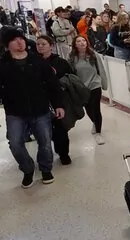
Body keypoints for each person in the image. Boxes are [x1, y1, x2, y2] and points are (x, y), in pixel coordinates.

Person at [0, 28, 64, 188]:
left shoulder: (38, 61)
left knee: (45, 142)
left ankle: (45, 169)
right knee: (15, 143)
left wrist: (58, 105)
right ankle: (27, 169)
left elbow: (52, 84)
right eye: (14, 40)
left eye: (21, 38)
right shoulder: (3, 64)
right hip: (15, 112)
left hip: (40, 109)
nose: (20, 42)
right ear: (8, 44)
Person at [36, 35, 75, 165]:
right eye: (38, 44)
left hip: (58, 100)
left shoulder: (60, 62)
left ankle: (64, 153)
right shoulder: (33, 62)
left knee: (61, 128)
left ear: (51, 46)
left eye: (43, 44)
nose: (40, 46)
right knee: (45, 131)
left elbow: (71, 77)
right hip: (40, 101)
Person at [69, 35, 108, 145]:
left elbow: (101, 70)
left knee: (96, 108)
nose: (82, 43)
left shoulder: (93, 55)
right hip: (82, 88)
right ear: (75, 44)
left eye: (83, 40)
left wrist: (104, 84)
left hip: (95, 85)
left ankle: (99, 133)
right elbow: (71, 74)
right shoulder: (72, 58)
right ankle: (94, 122)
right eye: (78, 41)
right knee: (88, 109)